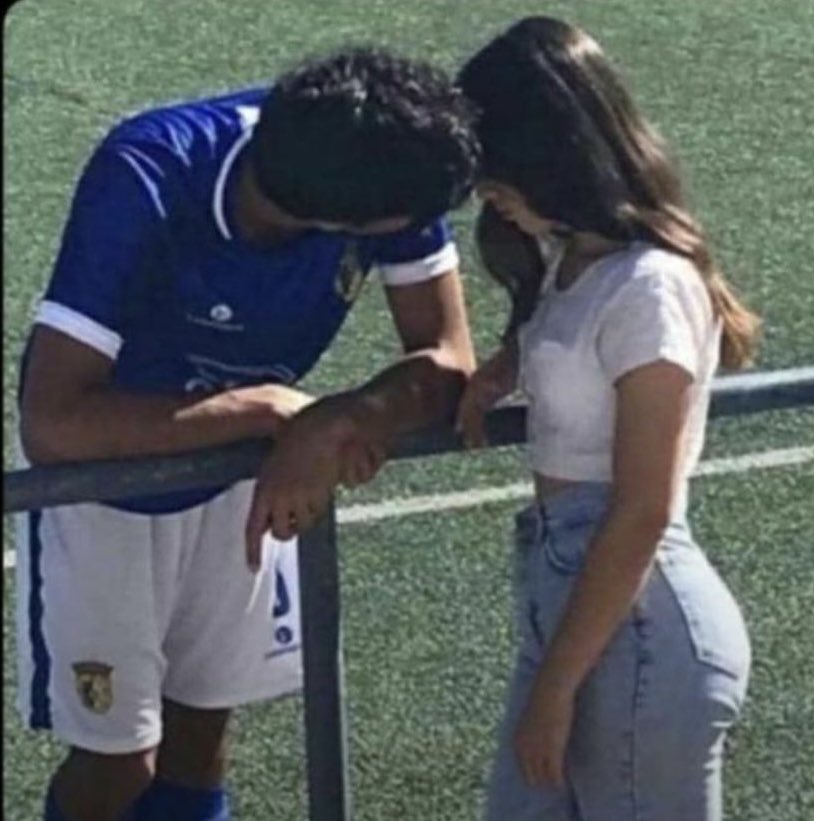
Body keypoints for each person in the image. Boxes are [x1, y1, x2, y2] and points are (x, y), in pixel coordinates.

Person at [17, 47, 478, 821]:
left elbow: (447, 355)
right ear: (340, 223)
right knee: (120, 760)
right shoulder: (149, 173)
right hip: (104, 486)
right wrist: (266, 410)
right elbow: (53, 422)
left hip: (243, 474)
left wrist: (345, 416)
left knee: (204, 727)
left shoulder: (379, 150)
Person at [455, 17, 760, 820]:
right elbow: (572, 345)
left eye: (495, 167)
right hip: (582, 609)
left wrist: (555, 687)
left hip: (636, 626)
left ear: (546, 151)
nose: (485, 190)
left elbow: (642, 507)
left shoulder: (650, 285)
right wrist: (503, 367)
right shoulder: (575, 260)